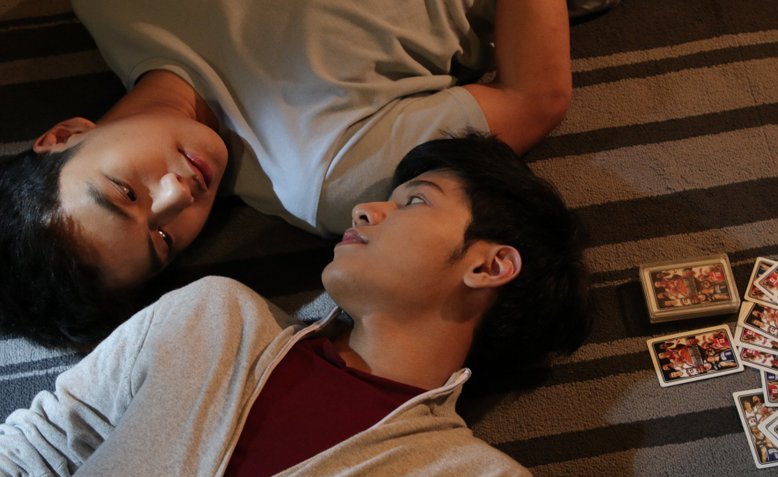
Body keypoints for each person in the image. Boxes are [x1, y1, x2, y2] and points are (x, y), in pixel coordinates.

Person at [0, 134, 590, 477]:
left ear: (489, 266)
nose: (365, 209)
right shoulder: (211, 316)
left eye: (415, 200)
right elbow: (30, 462)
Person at [0, 0, 577, 349]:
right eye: (163, 238)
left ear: (64, 136)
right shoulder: (327, 177)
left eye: (125, 192)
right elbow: (535, 96)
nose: (178, 195)